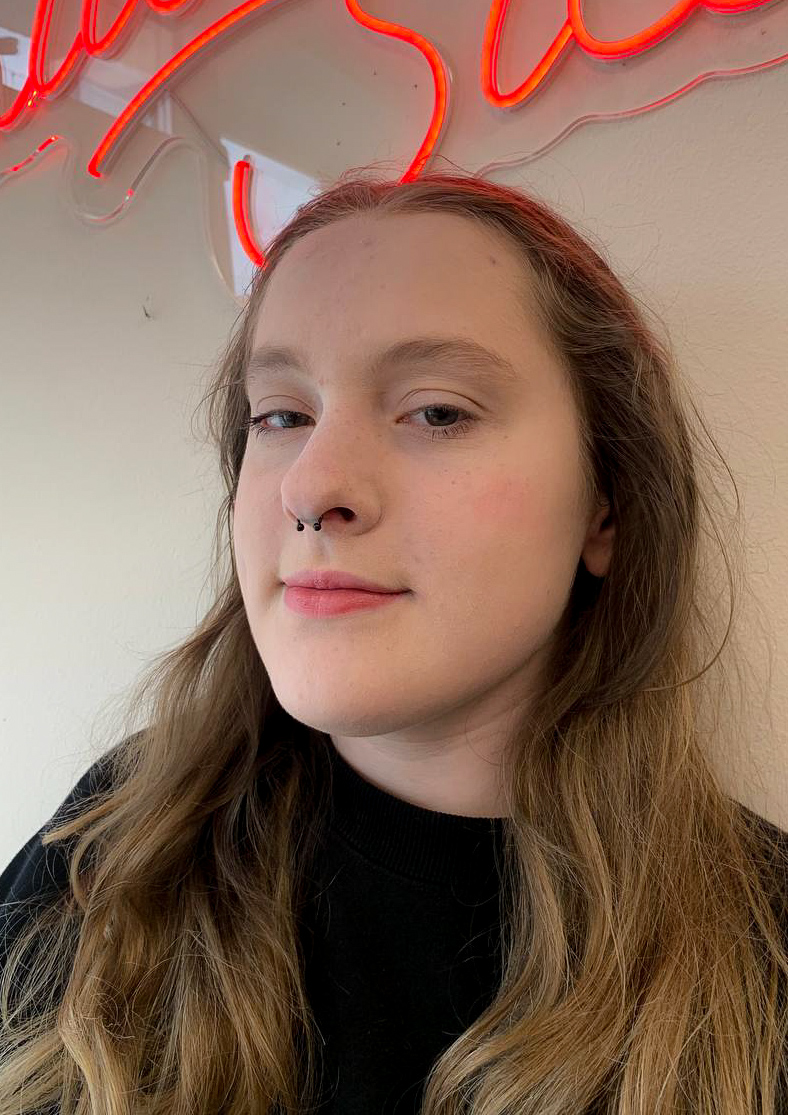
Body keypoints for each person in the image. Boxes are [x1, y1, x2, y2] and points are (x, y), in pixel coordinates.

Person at [1, 169, 787, 1115]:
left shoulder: (766, 948)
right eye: (281, 416)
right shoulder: (122, 841)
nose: (310, 486)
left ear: (606, 505)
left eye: (438, 411)